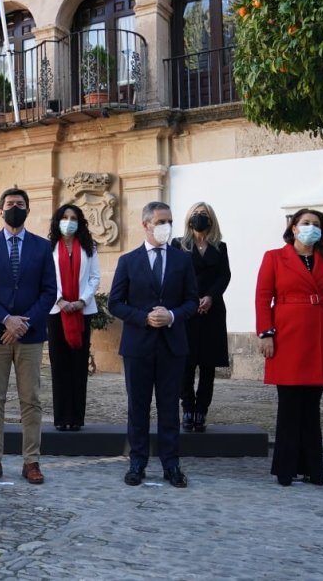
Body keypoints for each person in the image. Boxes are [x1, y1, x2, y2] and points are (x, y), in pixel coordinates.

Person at [256, 208, 323, 487]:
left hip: (321, 334)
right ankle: (285, 469)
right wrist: (266, 333)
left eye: (316, 224)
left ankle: (312, 468)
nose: (311, 227)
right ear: (294, 228)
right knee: (289, 405)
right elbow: (263, 297)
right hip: (288, 335)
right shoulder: (274, 257)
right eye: (305, 222)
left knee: (311, 406)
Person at [0, 188, 57, 485]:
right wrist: (6, 320)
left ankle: (31, 461)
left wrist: (23, 324)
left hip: (30, 335)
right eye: (10, 204)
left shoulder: (42, 247)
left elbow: (49, 291)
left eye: (20, 204)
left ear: (28, 210)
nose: (15, 208)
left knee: (31, 399)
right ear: (0, 210)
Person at [109, 201, 198, 488]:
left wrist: (171, 315)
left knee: (169, 407)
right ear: (146, 224)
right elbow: (115, 303)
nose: (166, 226)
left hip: (172, 345)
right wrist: (144, 317)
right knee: (138, 407)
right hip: (138, 346)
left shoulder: (182, 260)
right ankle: (137, 462)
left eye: (169, 221)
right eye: (161, 221)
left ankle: (171, 464)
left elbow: (192, 301)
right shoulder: (128, 261)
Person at [172, 202, 231, 433]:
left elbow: (224, 275)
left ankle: (201, 410)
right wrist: (192, 299)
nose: (199, 217)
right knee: (186, 363)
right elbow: (175, 275)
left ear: (211, 219)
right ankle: (187, 407)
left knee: (208, 364)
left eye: (204, 214)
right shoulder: (179, 245)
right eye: (196, 213)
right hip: (187, 309)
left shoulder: (220, 247)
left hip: (212, 310)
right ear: (189, 218)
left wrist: (210, 297)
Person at [46, 203, 101, 432]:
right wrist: (60, 300)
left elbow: (95, 277)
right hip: (56, 311)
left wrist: (81, 301)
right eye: (65, 217)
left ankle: (76, 418)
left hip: (82, 310)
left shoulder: (90, 247)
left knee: (78, 365)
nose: (69, 222)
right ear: (58, 221)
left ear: (80, 222)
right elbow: (46, 277)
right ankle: (61, 418)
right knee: (59, 365)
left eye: (73, 218)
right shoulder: (48, 247)